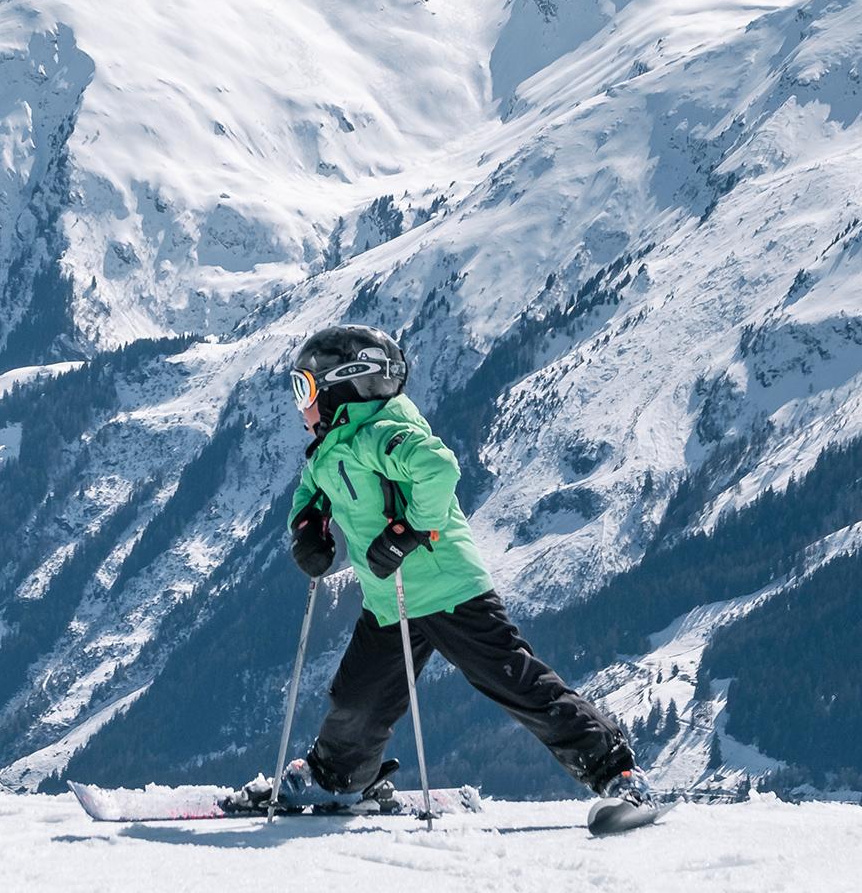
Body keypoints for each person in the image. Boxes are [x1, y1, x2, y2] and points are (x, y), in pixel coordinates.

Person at [259, 324, 653, 816]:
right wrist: (307, 526)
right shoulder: (333, 443)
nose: (301, 404)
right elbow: (313, 487)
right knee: (356, 700)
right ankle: (339, 779)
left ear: (345, 383)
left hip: (447, 588)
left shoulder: (382, 433)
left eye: (306, 388)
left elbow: (438, 469)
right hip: (389, 599)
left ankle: (617, 771)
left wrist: (406, 533)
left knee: (516, 683)